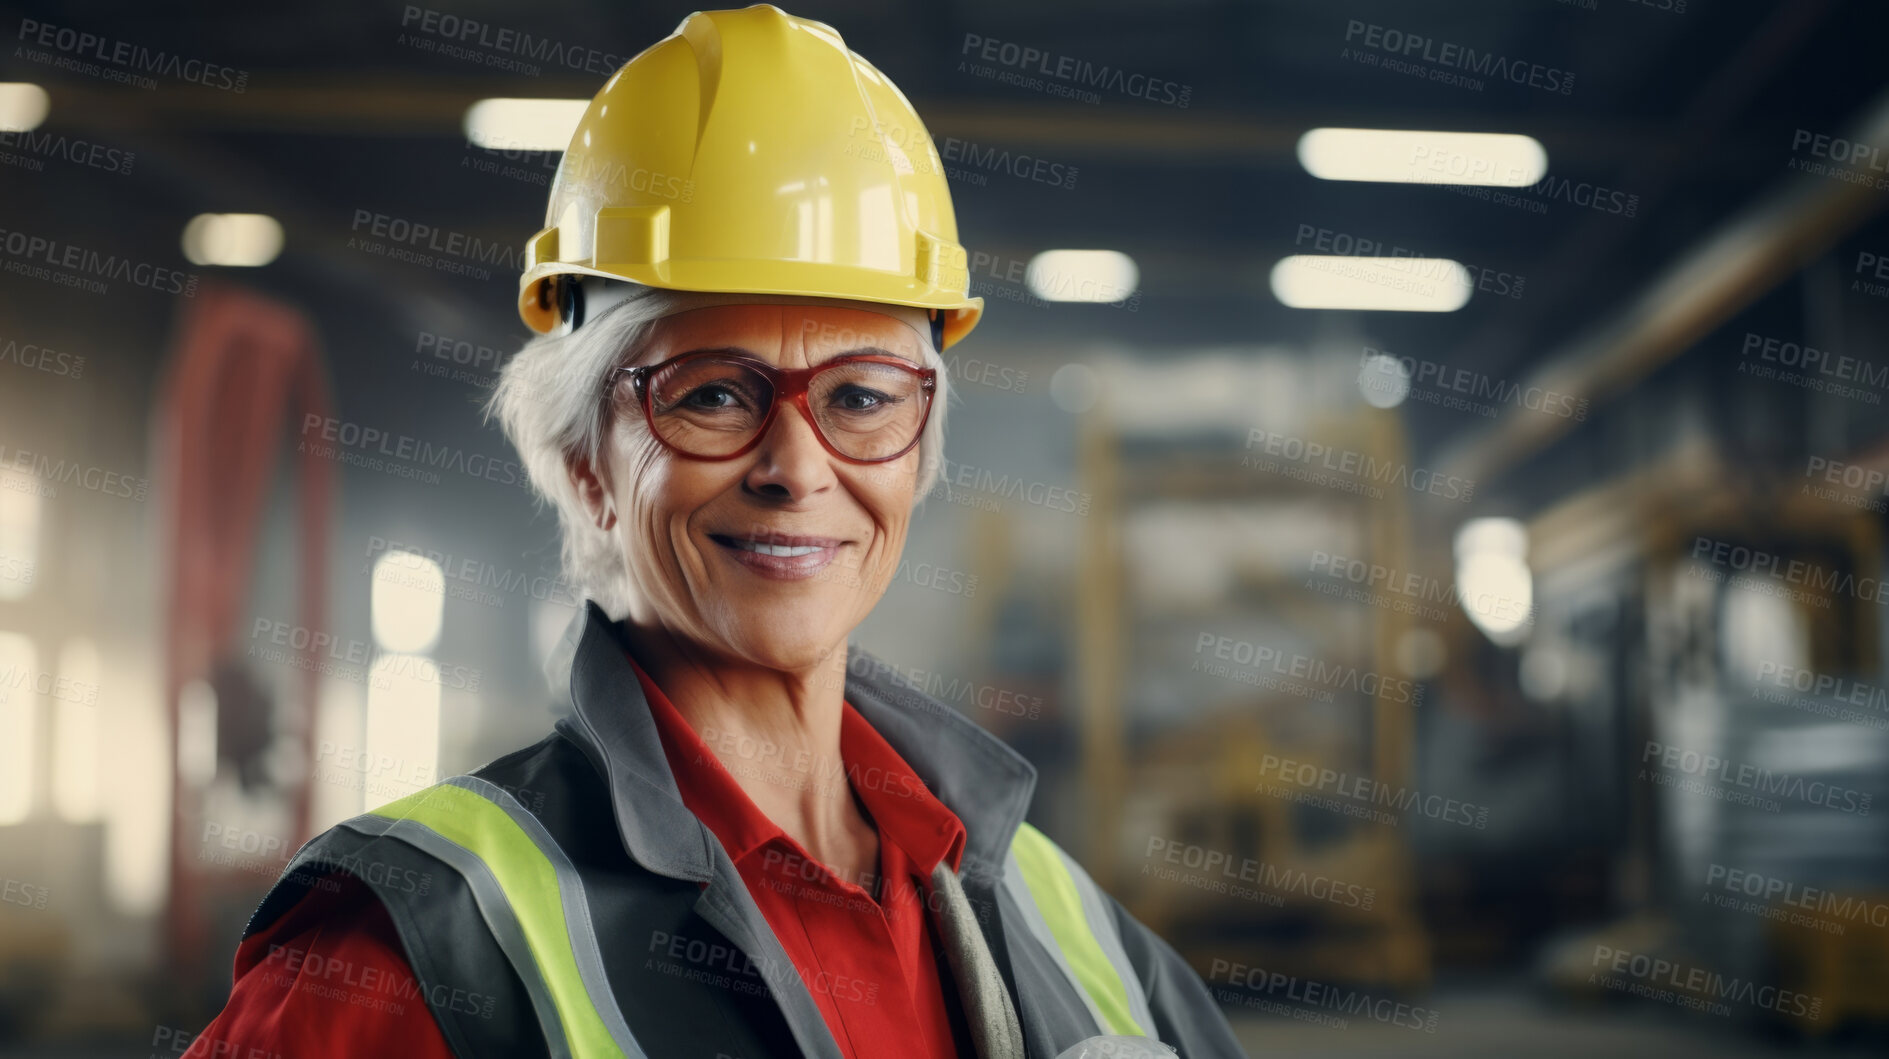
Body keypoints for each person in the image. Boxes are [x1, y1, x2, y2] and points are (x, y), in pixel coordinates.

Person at [196, 6, 1245, 1057]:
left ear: (920, 451)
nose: (795, 468)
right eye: (710, 397)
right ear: (581, 463)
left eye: (863, 398)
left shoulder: (1064, 927)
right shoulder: (409, 958)